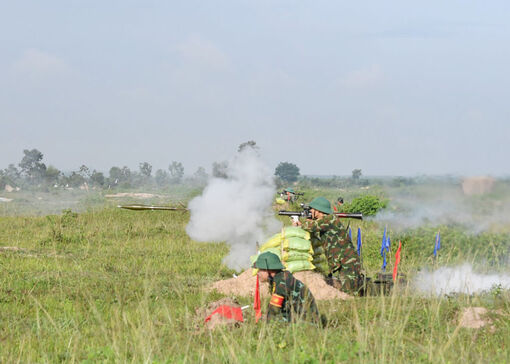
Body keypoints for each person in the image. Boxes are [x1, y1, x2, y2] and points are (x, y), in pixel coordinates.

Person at [295, 197, 363, 294]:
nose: (310, 211)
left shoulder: (329, 219)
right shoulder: (326, 221)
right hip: (343, 261)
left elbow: (309, 227)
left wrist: (302, 222)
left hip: (348, 262)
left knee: (350, 293)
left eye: (312, 209)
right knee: (347, 290)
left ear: (318, 210)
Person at [253, 252, 322, 324]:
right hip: (300, 319)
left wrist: (264, 319)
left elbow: (273, 311)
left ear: (269, 270)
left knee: (272, 322)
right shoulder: (279, 278)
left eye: (260, 269)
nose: (258, 273)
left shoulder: (282, 283)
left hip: (308, 324)